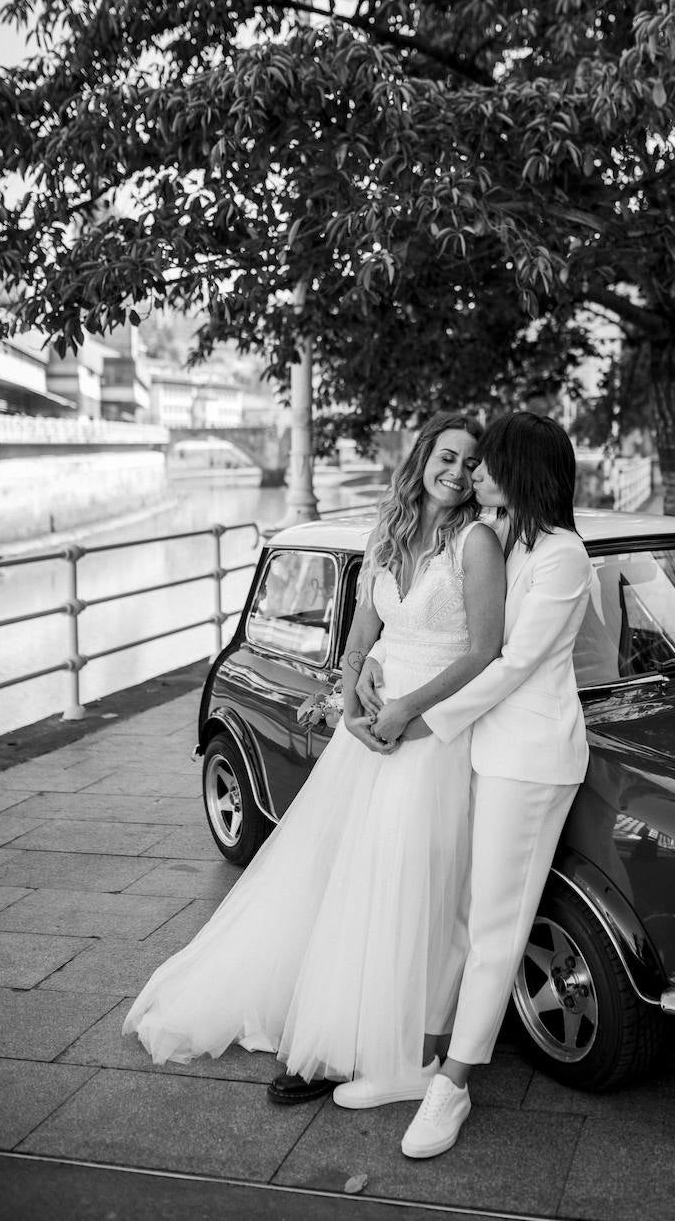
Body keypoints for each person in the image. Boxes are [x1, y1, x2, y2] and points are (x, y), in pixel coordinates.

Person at [122, 412, 507, 1111]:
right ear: (422, 457)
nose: (455, 473)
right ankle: (330, 1017)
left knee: (412, 882)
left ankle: (377, 1040)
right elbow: (366, 625)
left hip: (435, 735)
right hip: (370, 727)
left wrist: (406, 710)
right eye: (446, 457)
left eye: (469, 462)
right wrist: (356, 682)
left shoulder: (477, 542)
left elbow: (483, 650)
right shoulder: (390, 533)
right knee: (348, 873)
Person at [358, 412, 591, 1157]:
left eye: (488, 463)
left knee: (495, 926)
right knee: (458, 911)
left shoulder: (561, 555)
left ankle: (452, 1087)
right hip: (480, 749)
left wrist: (421, 720)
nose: (473, 474)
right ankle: (424, 1060)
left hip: (528, 757)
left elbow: (514, 661)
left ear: (522, 469)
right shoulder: (501, 538)